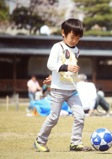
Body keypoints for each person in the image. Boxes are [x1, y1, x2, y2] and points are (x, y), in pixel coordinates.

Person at [33, 18, 92, 152]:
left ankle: (75, 143)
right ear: (63, 33)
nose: (74, 40)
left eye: (78, 38)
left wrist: (58, 74)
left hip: (72, 90)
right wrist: (66, 68)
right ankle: (40, 141)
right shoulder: (57, 47)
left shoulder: (77, 50)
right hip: (58, 90)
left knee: (80, 116)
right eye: (72, 37)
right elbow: (51, 64)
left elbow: (67, 69)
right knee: (53, 118)